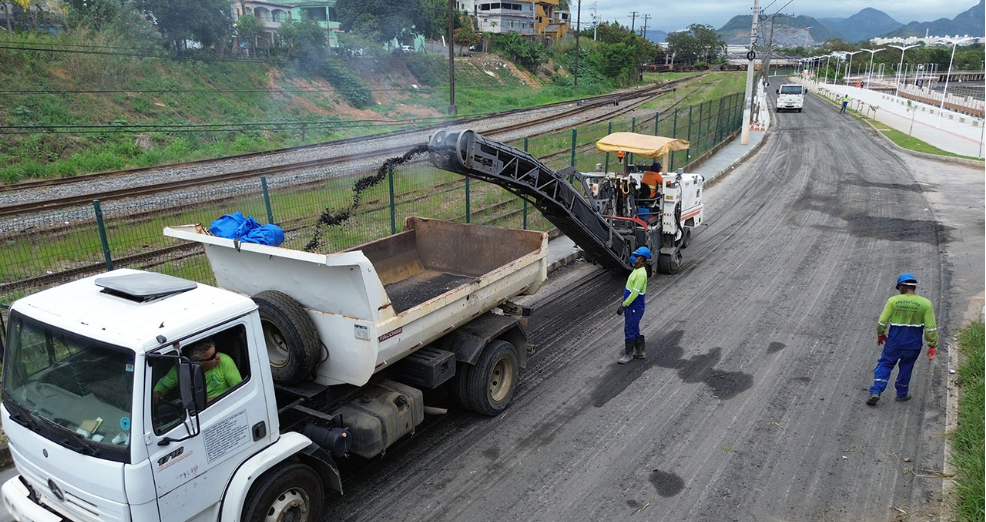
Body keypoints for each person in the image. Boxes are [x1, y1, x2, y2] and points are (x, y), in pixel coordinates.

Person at [867, 273, 937, 406]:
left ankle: (876, 391)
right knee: (907, 367)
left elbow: (882, 322)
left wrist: (880, 334)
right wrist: (932, 345)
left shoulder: (893, 301)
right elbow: (930, 328)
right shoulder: (926, 304)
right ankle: (901, 394)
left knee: (885, 364)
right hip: (913, 345)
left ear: (902, 287)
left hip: (894, 343)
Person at [154, 337, 243, 403]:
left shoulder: (225, 361)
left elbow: (239, 390)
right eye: (212, 356)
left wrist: (211, 400)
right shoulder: (181, 369)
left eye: (216, 352)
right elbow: (164, 385)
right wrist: (158, 393)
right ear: (199, 362)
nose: (218, 356)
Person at [615, 247, 651, 363]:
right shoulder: (636, 270)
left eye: (636, 256)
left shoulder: (641, 274)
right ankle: (640, 352)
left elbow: (635, 293)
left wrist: (624, 305)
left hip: (634, 307)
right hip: (632, 307)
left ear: (642, 259)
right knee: (634, 328)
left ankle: (628, 355)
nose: (634, 258)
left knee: (629, 329)